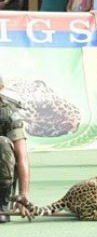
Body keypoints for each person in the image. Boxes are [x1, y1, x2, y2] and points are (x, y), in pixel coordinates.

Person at [0, 75, 30, 223]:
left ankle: (2, 204)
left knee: (2, 143)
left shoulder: (10, 115)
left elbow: (21, 156)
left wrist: (23, 196)